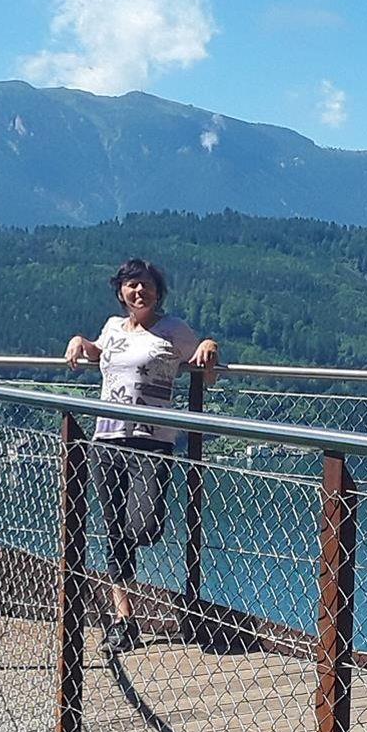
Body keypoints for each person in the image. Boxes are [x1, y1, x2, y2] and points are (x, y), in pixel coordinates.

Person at [65, 258, 219, 655]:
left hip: (152, 441)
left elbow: (207, 370)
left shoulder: (174, 330)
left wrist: (208, 345)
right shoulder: (113, 327)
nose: (139, 291)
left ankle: (128, 574)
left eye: (146, 284)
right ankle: (124, 620)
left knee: (145, 526)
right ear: (121, 292)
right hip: (107, 439)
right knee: (115, 530)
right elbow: (99, 353)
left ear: (158, 292)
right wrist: (81, 342)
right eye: (132, 284)